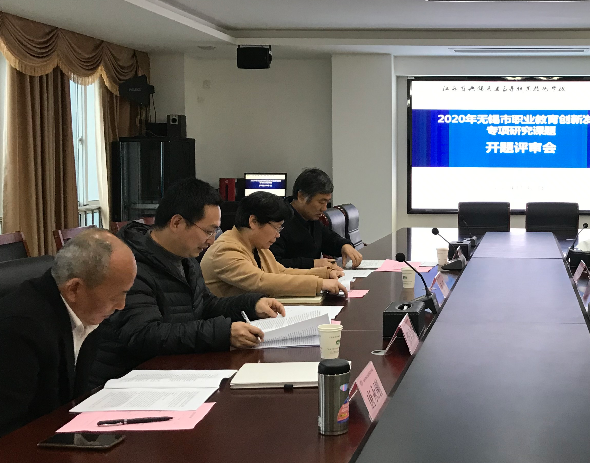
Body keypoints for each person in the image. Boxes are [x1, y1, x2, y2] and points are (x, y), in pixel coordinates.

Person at [89, 179, 286, 388]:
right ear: (177, 223)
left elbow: (206, 305)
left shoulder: (186, 258)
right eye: (208, 231)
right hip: (129, 383)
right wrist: (222, 333)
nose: (212, 240)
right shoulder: (131, 265)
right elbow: (144, 335)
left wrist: (252, 304)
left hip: (175, 370)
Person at [0, 229, 137, 436]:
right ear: (74, 289)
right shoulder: (20, 330)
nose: (121, 305)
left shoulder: (85, 310)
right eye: (114, 297)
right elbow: (9, 430)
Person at [201, 192, 349, 298]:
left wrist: (324, 273)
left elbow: (281, 272)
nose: (278, 235)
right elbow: (261, 281)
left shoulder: (256, 246)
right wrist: (319, 284)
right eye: (276, 228)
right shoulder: (225, 250)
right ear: (253, 222)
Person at [270, 168, 364, 269]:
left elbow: (329, 239)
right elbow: (273, 264)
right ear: (301, 196)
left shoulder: (311, 219)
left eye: (327, 202)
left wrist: (344, 245)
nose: (324, 209)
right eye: (321, 202)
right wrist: (312, 264)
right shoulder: (277, 221)